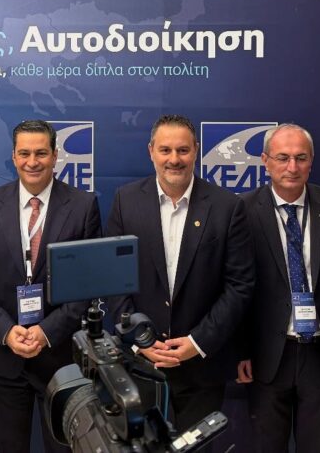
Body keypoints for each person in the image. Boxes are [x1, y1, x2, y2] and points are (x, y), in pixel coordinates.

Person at [105, 114, 254, 431]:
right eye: (165, 150)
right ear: (151, 151)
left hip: (202, 366)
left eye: (183, 150)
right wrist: (139, 340)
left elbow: (239, 286)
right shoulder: (125, 201)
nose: (174, 159)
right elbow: (114, 280)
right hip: (140, 364)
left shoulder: (228, 207)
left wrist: (198, 342)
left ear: (196, 150)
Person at [0, 119, 101, 453]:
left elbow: (89, 283)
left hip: (61, 358)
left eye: (40, 153)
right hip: (3, 358)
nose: (32, 162)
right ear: (13, 156)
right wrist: (6, 331)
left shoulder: (83, 206)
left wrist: (47, 331)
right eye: (24, 153)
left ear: (55, 155)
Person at [236, 123, 320, 452]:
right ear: (265, 161)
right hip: (267, 353)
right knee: (268, 445)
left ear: (312, 161)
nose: (292, 167)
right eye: (282, 158)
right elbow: (235, 289)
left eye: (301, 158)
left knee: (317, 444)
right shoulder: (242, 210)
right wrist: (239, 352)